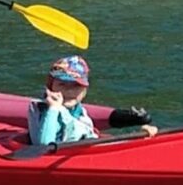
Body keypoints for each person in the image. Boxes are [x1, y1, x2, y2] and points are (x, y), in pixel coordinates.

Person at [28, 56, 157, 145]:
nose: (69, 91)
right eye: (62, 85)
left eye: (76, 86)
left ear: (84, 91)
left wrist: (139, 136)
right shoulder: (47, 111)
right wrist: (54, 108)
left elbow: (91, 139)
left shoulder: (79, 111)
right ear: (50, 87)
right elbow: (44, 144)